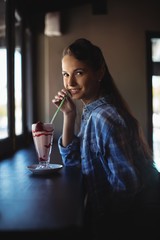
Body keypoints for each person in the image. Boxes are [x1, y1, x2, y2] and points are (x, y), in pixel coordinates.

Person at [52, 38, 159, 239]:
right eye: (66, 74)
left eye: (79, 73)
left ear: (99, 72)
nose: (70, 83)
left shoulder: (104, 118)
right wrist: (69, 115)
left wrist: (102, 226)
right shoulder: (91, 113)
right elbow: (73, 163)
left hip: (129, 224)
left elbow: (126, 187)